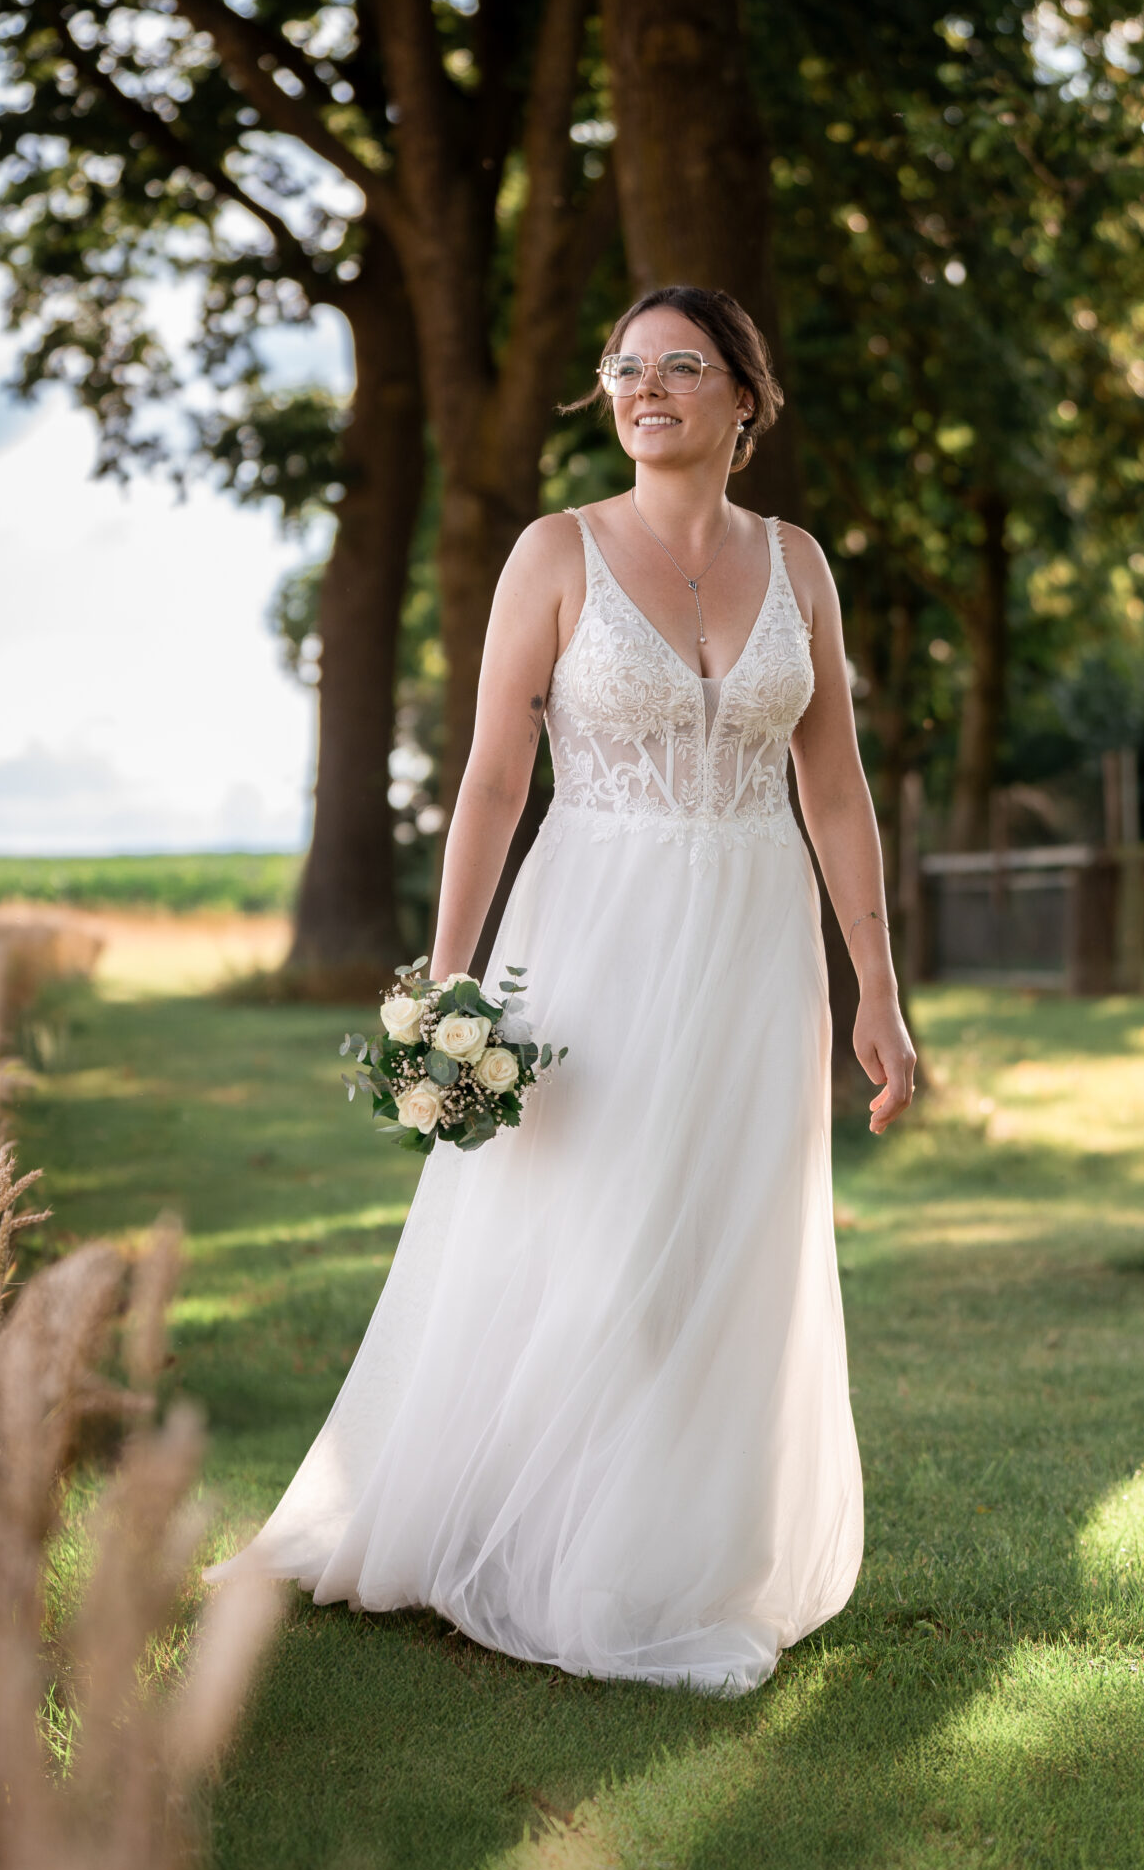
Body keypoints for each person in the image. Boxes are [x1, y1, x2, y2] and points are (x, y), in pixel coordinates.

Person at [211, 286, 915, 1694]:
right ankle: (535, 1542)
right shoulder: (553, 551)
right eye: (626, 368)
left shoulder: (801, 566)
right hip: (590, 926)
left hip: (753, 934)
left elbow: (833, 788)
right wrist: (448, 977)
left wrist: (876, 994)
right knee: (586, 1228)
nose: (649, 388)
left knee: (725, 1238)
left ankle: (677, 1557)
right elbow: (492, 775)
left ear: (744, 401)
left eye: (684, 367)